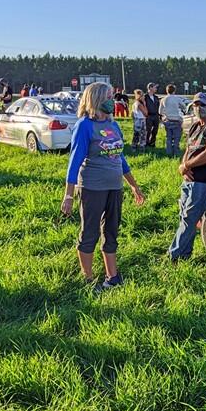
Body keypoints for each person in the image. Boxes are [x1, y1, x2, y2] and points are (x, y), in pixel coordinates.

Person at [61, 82, 145, 290]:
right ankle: (88, 280)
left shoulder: (113, 124)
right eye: (109, 97)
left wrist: (133, 185)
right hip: (92, 187)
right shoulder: (84, 125)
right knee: (90, 232)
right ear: (97, 99)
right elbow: (74, 161)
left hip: (114, 187)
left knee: (111, 231)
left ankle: (112, 276)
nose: (113, 100)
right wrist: (69, 195)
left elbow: (120, 158)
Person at [169, 93, 206, 261]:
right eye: (196, 105)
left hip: (205, 180)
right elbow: (188, 150)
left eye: (202, 105)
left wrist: (187, 165)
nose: (199, 108)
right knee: (184, 216)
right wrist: (183, 166)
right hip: (188, 179)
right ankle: (184, 254)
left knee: (189, 218)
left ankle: (175, 255)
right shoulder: (195, 127)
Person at [144, 82, 160, 148]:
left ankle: (152, 143)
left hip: (156, 116)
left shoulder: (156, 97)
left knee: (155, 131)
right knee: (148, 130)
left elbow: (158, 106)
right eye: (155, 87)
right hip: (148, 116)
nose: (156, 89)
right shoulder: (145, 97)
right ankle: (146, 143)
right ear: (150, 88)